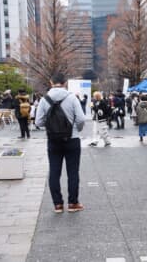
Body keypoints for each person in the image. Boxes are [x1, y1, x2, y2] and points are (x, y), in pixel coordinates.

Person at [35, 73, 86, 213]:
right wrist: (77, 129)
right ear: (65, 83)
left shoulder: (44, 99)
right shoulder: (71, 97)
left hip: (53, 140)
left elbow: (38, 122)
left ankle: (57, 204)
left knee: (54, 171)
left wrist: (51, 127)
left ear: (51, 82)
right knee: (73, 172)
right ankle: (73, 203)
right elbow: (81, 119)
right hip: (72, 139)